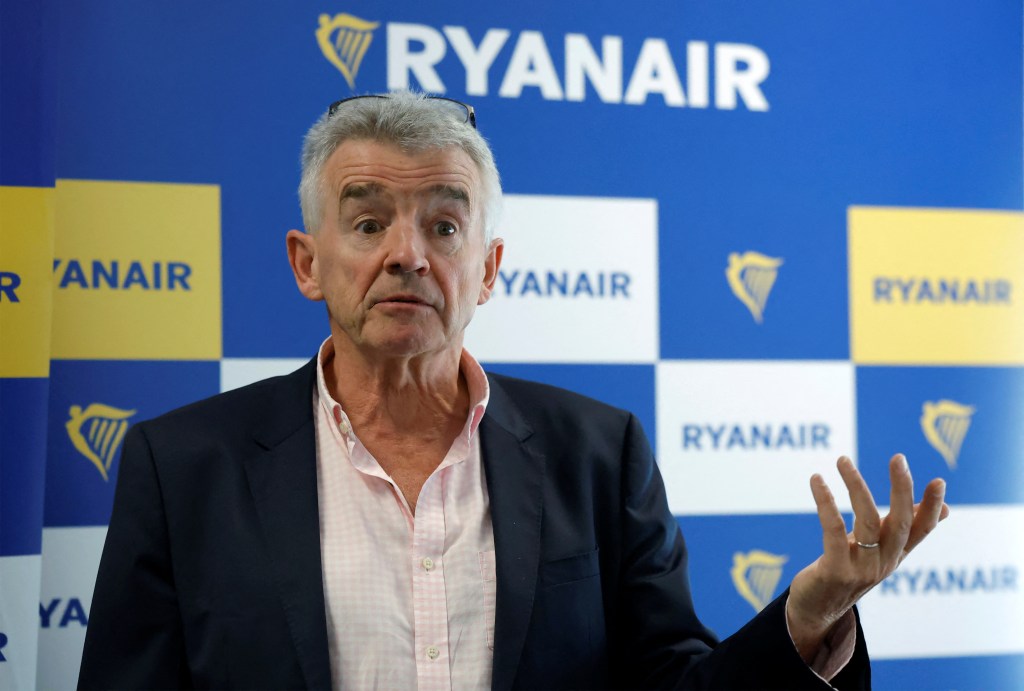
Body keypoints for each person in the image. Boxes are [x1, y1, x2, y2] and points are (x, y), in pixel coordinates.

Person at [78, 91, 948, 690]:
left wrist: (809, 615)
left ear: (489, 269)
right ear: (309, 262)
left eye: (445, 224)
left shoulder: (599, 455)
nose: (408, 254)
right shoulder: (183, 465)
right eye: (369, 220)